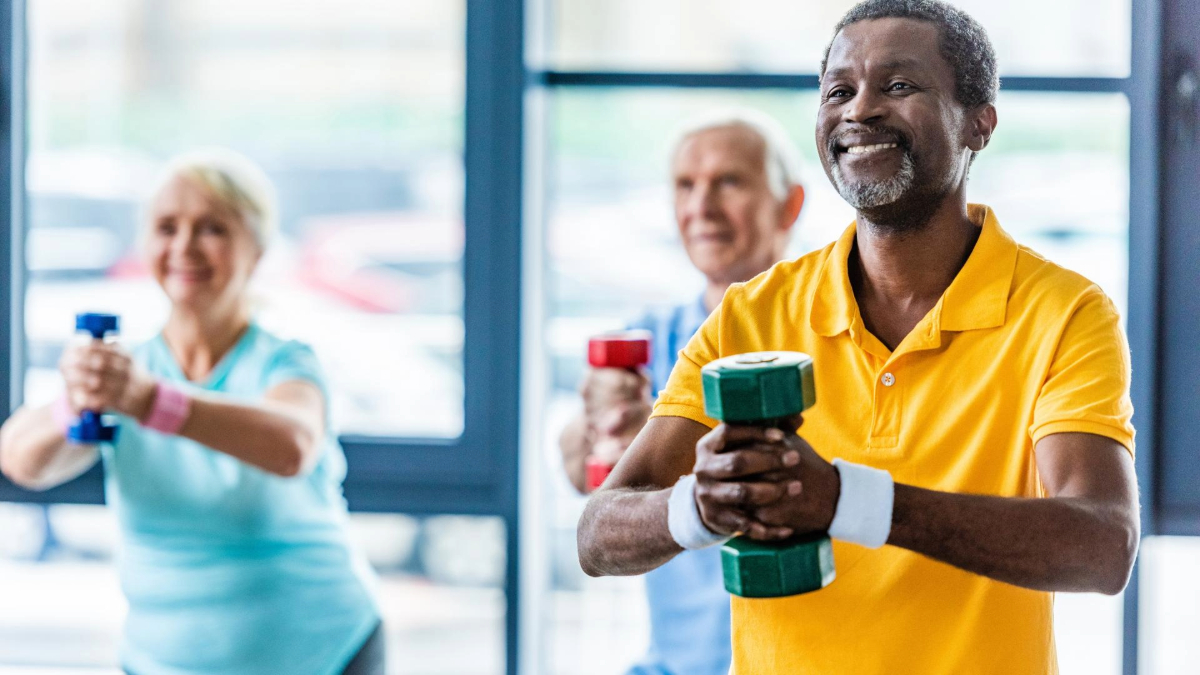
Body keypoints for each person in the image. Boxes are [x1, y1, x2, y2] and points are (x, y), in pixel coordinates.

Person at [576, 2, 1139, 673]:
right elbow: (597, 530)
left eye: (899, 86)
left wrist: (850, 502)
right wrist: (696, 505)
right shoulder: (752, 313)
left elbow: (1104, 543)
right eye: (839, 91)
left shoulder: (1064, 311)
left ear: (980, 122)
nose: (860, 110)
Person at [0, 149, 383, 675]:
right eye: (166, 227)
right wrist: (78, 398)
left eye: (212, 229)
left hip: (320, 652)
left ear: (256, 248)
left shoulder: (284, 361)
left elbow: (291, 445)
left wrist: (150, 400)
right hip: (159, 662)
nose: (184, 246)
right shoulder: (124, 371)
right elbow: (21, 460)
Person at [560, 109, 805, 675]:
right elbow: (578, 466)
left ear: (789, 205)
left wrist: (668, 438)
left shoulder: (824, 333)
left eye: (730, 182)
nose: (702, 207)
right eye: (686, 186)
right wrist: (607, 423)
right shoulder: (652, 338)